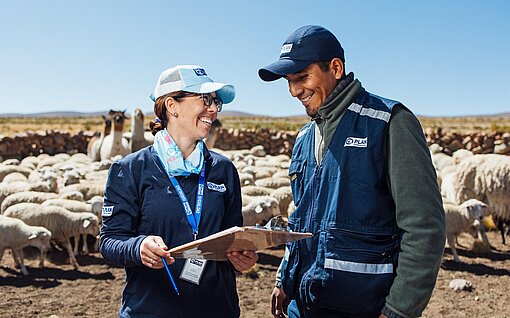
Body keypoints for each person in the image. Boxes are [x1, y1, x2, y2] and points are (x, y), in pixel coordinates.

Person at [259, 25, 446, 318]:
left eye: (302, 77)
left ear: (335, 68)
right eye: (288, 81)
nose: (294, 91)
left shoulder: (389, 123)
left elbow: (424, 225)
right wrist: (286, 276)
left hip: (364, 307)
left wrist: (399, 309)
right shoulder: (306, 137)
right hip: (304, 305)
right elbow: (301, 217)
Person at [99, 65, 258, 318]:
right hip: (151, 310)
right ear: (172, 106)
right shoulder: (130, 170)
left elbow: (233, 236)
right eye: (205, 99)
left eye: (216, 102)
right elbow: (110, 241)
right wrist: (138, 247)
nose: (214, 109)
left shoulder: (223, 170)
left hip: (217, 310)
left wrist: (242, 256)